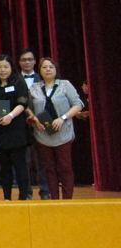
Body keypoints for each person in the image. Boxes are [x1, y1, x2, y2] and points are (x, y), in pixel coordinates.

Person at [25, 58, 84, 199]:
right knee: (49, 168)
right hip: (43, 133)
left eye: (51, 67)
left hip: (63, 133)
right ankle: (54, 199)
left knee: (65, 167)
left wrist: (63, 118)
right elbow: (28, 108)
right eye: (44, 67)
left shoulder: (65, 85)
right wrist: (34, 120)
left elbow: (78, 104)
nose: (48, 69)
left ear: (56, 69)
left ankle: (68, 199)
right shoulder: (34, 88)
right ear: (40, 70)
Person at [0, 55, 30, 200]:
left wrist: (10, 116)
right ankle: (7, 197)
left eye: (6, 67)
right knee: (4, 166)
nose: (2, 70)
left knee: (20, 165)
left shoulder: (18, 82)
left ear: (11, 68)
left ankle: (23, 196)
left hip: (16, 128)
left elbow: (23, 103)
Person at [19, 49, 50, 200]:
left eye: (30, 59)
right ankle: (26, 193)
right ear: (19, 62)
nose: (27, 62)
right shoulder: (14, 79)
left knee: (43, 160)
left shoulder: (43, 78)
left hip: (40, 124)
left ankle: (45, 191)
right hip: (20, 126)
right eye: (24, 60)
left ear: (35, 62)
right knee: (23, 161)